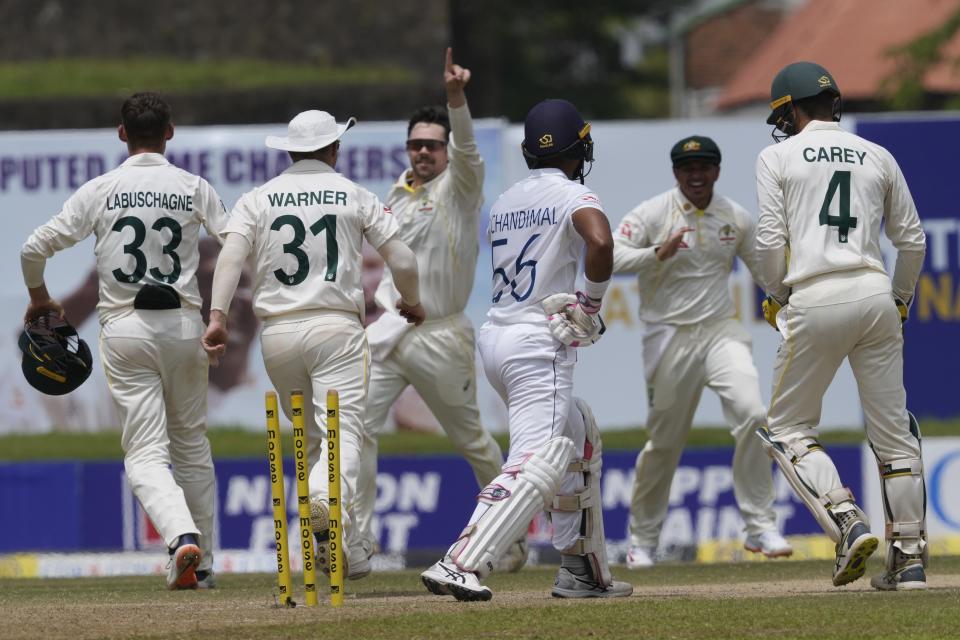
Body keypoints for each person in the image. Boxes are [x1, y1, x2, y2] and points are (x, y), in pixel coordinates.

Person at [419, 98, 632, 601]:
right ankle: (462, 560)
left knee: (579, 436)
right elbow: (600, 244)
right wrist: (590, 305)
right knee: (538, 457)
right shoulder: (572, 193)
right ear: (578, 148)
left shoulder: (509, 199)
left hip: (497, 338)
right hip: (541, 341)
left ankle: (580, 570)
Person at [201, 109, 425, 581]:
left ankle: (349, 548)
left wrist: (217, 317)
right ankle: (323, 504)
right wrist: (411, 301)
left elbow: (231, 258)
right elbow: (402, 258)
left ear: (289, 150)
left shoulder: (257, 198)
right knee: (343, 436)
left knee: (315, 438)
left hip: (278, 335)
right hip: (335, 328)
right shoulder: (354, 194)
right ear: (334, 148)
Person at [19, 92, 229, 590]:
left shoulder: (102, 189)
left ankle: (180, 538)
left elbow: (33, 248)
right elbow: (237, 242)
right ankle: (203, 564)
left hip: (126, 328)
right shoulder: (193, 186)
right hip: (184, 325)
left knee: (144, 453)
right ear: (170, 132)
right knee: (193, 445)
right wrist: (218, 314)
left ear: (121, 133)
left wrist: (41, 299)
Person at [755, 61, 927, 590]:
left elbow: (766, 244)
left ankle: (846, 520)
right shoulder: (878, 154)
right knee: (894, 433)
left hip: (815, 294)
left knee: (787, 431)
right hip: (875, 293)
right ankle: (910, 561)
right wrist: (898, 300)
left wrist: (778, 295)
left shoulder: (776, 155)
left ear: (792, 107)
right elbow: (913, 241)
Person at [355, 48, 526, 570]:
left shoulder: (460, 187)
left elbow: (469, 148)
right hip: (389, 333)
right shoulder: (397, 194)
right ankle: (356, 543)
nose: (422, 152)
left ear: (445, 150)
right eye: (415, 145)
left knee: (472, 440)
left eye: (431, 145)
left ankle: (511, 535)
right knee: (356, 426)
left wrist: (456, 98)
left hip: (440, 333)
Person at [612, 135, 791, 568]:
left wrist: (792, 300)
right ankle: (642, 539)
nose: (696, 174)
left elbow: (768, 273)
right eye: (688, 168)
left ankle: (760, 526)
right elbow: (611, 257)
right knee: (664, 442)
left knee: (753, 414)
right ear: (676, 173)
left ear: (717, 171)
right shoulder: (654, 212)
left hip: (719, 332)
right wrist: (657, 253)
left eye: (705, 166)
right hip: (667, 336)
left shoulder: (734, 217)